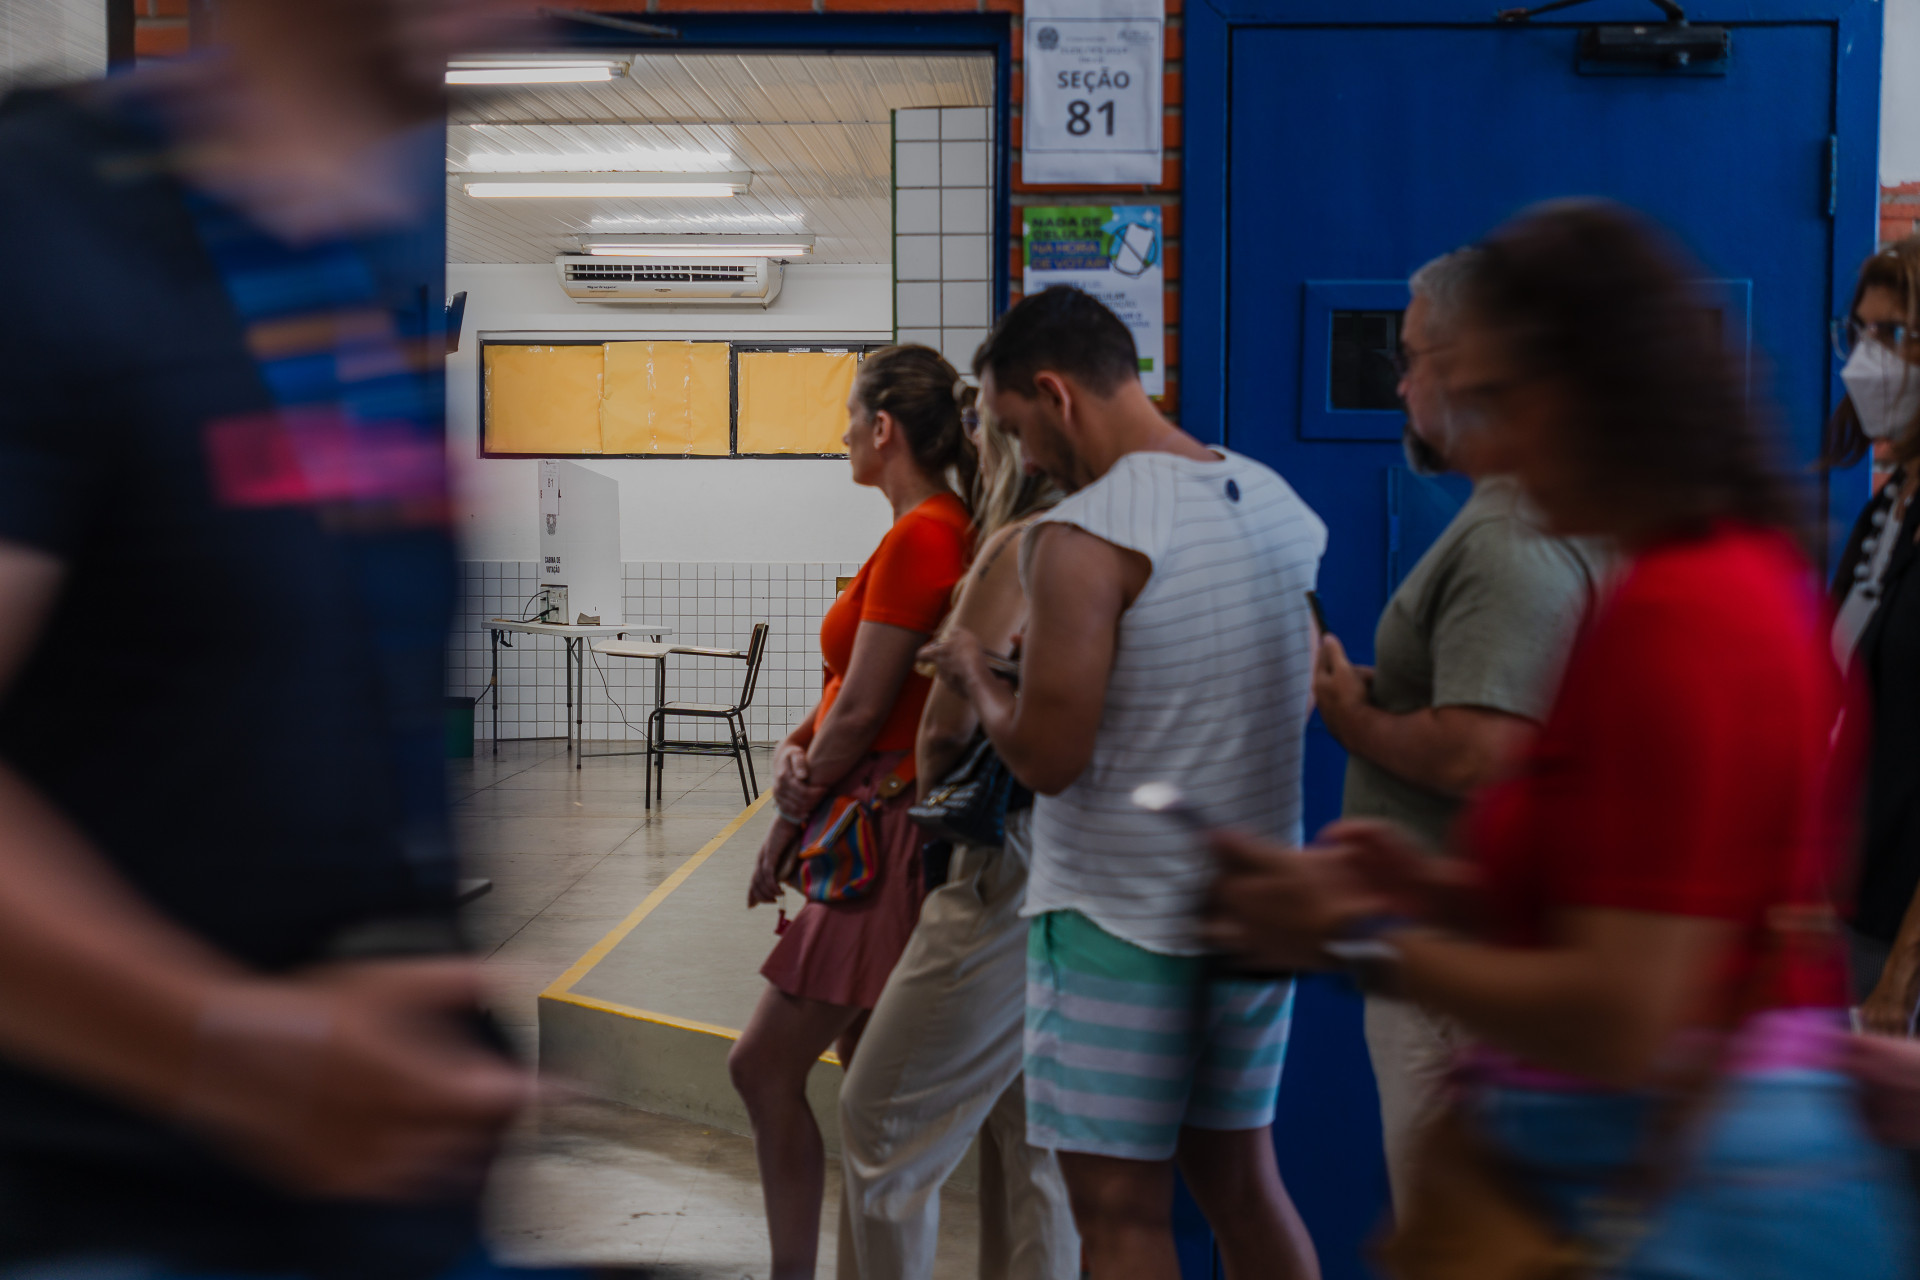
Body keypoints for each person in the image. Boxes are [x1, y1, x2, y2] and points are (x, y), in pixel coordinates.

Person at [1207, 201, 1913, 1280]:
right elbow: (1651, 890)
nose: (1488, 434)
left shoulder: (1682, 616)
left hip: (1643, 1199)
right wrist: (1429, 889)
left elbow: (1621, 1012)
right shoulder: (1736, 571)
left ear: (1591, 395)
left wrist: (1350, 937)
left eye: (1502, 398)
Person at [0, 2, 542, 1277]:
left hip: (365, 1216)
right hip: (115, 1217)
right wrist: (227, 1052)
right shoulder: (54, 220)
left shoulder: (361, 264)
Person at [920, 285, 1325, 1280]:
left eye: (1015, 428)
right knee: (1242, 1183)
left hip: (1118, 919)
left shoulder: (1086, 534)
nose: (1025, 459)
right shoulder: (1275, 501)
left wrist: (975, 669)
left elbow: (1049, 758)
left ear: (1055, 393)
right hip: (1254, 900)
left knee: (1120, 1211)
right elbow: (1292, 679)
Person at [1311, 248, 1599, 1205]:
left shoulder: (1509, 537)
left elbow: (1484, 750)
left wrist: (1357, 721)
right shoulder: (1552, 510)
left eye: (1412, 357)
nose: (1399, 384)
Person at [731, 344, 976, 1280]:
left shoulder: (926, 533)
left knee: (762, 1067)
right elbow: (846, 689)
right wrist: (797, 745)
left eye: (848, 416)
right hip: (872, 810)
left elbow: (872, 710)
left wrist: (788, 820)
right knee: (869, 1084)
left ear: (884, 428)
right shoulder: (918, 528)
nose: (839, 434)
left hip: (880, 832)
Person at [837, 391, 1078, 1280]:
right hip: (1081, 863)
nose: (965, 441)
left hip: (1002, 861)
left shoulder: (1016, 548)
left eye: (979, 425)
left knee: (880, 1119)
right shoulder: (1105, 540)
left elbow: (941, 727)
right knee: (1035, 1142)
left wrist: (936, 835)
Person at [1824, 236, 1920, 1036]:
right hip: (1841, 917)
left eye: (1892, 336)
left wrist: (1900, 978)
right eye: (1859, 333)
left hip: (1899, 948)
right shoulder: (1886, 511)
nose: (1866, 361)